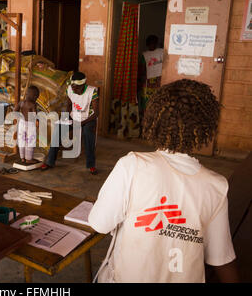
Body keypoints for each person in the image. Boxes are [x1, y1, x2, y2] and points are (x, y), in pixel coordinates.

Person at [88, 79, 239, 283]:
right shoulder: (216, 185)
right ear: (206, 127)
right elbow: (221, 258)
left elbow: (99, 223)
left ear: (153, 120)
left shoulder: (132, 165)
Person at [41, 71, 99, 175]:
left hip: (88, 119)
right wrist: (67, 118)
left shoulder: (92, 91)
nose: (73, 89)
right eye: (72, 86)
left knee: (88, 133)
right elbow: (68, 105)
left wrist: (82, 123)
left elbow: (96, 113)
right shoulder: (70, 89)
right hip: (74, 117)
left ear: (83, 85)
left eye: (76, 87)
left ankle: (91, 165)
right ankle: (50, 161)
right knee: (58, 130)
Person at [138, 35, 163, 123]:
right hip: (147, 82)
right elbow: (142, 69)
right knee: (147, 103)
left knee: (158, 101)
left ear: (156, 43)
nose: (152, 45)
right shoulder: (145, 55)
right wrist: (142, 80)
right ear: (147, 44)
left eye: (154, 43)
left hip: (158, 80)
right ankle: (146, 121)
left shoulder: (161, 52)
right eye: (150, 43)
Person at [14, 86, 40, 164]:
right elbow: (35, 115)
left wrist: (19, 117)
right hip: (30, 124)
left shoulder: (21, 102)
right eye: (36, 97)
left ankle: (22, 158)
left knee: (22, 140)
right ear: (34, 96)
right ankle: (29, 159)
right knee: (30, 141)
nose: (36, 99)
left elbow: (15, 111)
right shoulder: (33, 104)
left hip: (21, 123)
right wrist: (38, 122)